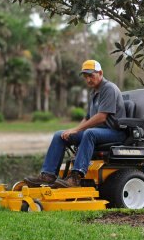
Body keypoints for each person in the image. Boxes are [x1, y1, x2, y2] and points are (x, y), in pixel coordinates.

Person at [24, 60, 127, 188]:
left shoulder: (109, 89)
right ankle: (48, 175)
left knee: (89, 133)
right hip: (98, 132)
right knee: (60, 135)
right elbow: (88, 117)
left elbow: (101, 117)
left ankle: (75, 177)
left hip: (115, 132)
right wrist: (73, 130)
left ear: (100, 73)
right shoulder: (94, 92)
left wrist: (77, 130)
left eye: (91, 75)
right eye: (85, 77)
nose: (88, 79)